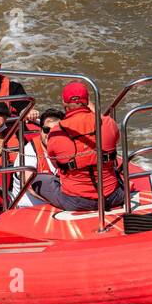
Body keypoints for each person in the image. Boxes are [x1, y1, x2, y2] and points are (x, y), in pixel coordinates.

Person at [34, 81, 126, 211]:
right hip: (113, 196)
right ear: (87, 101)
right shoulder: (107, 123)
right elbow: (116, 139)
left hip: (76, 201)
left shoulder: (56, 133)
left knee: (37, 178)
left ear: (64, 103)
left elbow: (56, 166)